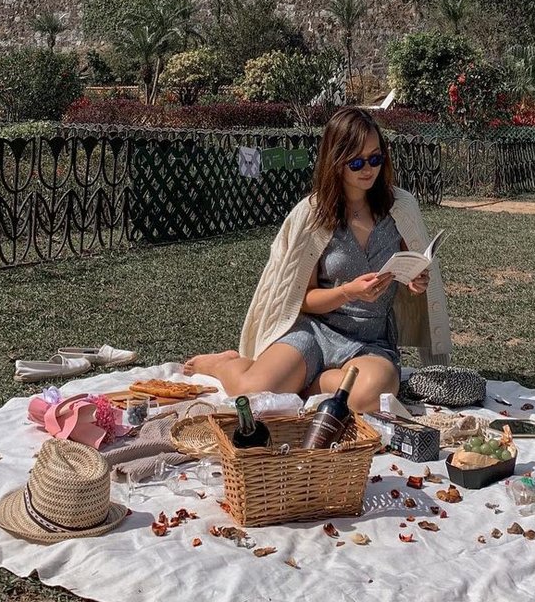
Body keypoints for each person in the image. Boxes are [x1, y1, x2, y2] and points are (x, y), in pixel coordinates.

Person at [183, 107, 451, 412]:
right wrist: (348, 292)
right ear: (336, 162)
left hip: (370, 341)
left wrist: (416, 281)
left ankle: (310, 383)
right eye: (357, 162)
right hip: (315, 331)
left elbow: (410, 273)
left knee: (375, 393)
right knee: (251, 392)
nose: (369, 169)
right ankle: (223, 364)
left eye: (376, 158)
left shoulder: (399, 206)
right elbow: (302, 299)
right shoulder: (313, 214)